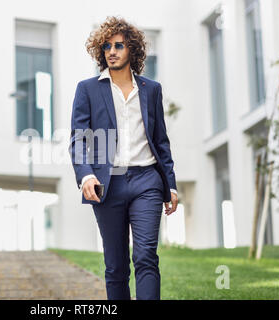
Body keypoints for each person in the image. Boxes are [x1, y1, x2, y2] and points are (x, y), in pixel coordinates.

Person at [68, 16, 178, 300]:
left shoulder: (151, 89)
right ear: (100, 51)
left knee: (145, 257)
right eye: (106, 46)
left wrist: (171, 185)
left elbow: (161, 142)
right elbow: (78, 138)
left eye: (119, 45)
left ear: (132, 49)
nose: (112, 51)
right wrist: (86, 175)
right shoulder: (88, 89)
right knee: (116, 266)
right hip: (109, 183)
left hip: (147, 182)